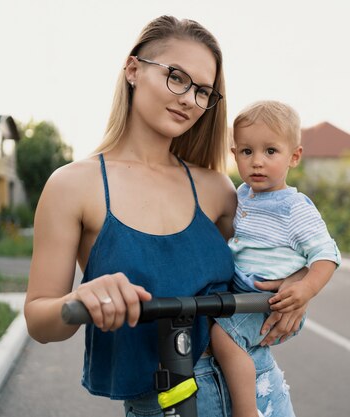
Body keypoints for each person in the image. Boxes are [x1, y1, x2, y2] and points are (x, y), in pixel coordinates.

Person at [24, 15, 301, 417]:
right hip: (163, 402)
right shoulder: (72, 186)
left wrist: (298, 284)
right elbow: (39, 318)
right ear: (133, 69)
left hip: (259, 393)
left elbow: (276, 251)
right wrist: (80, 297)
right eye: (176, 77)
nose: (189, 98)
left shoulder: (218, 188)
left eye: (203, 90)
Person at [210, 101, 341, 417]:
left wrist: (305, 290)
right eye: (246, 152)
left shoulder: (294, 208)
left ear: (294, 156)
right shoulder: (241, 195)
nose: (257, 162)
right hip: (244, 293)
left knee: (222, 336)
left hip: (271, 302)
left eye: (270, 151)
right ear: (234, 153)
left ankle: (246, 410)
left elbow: (327, 254)